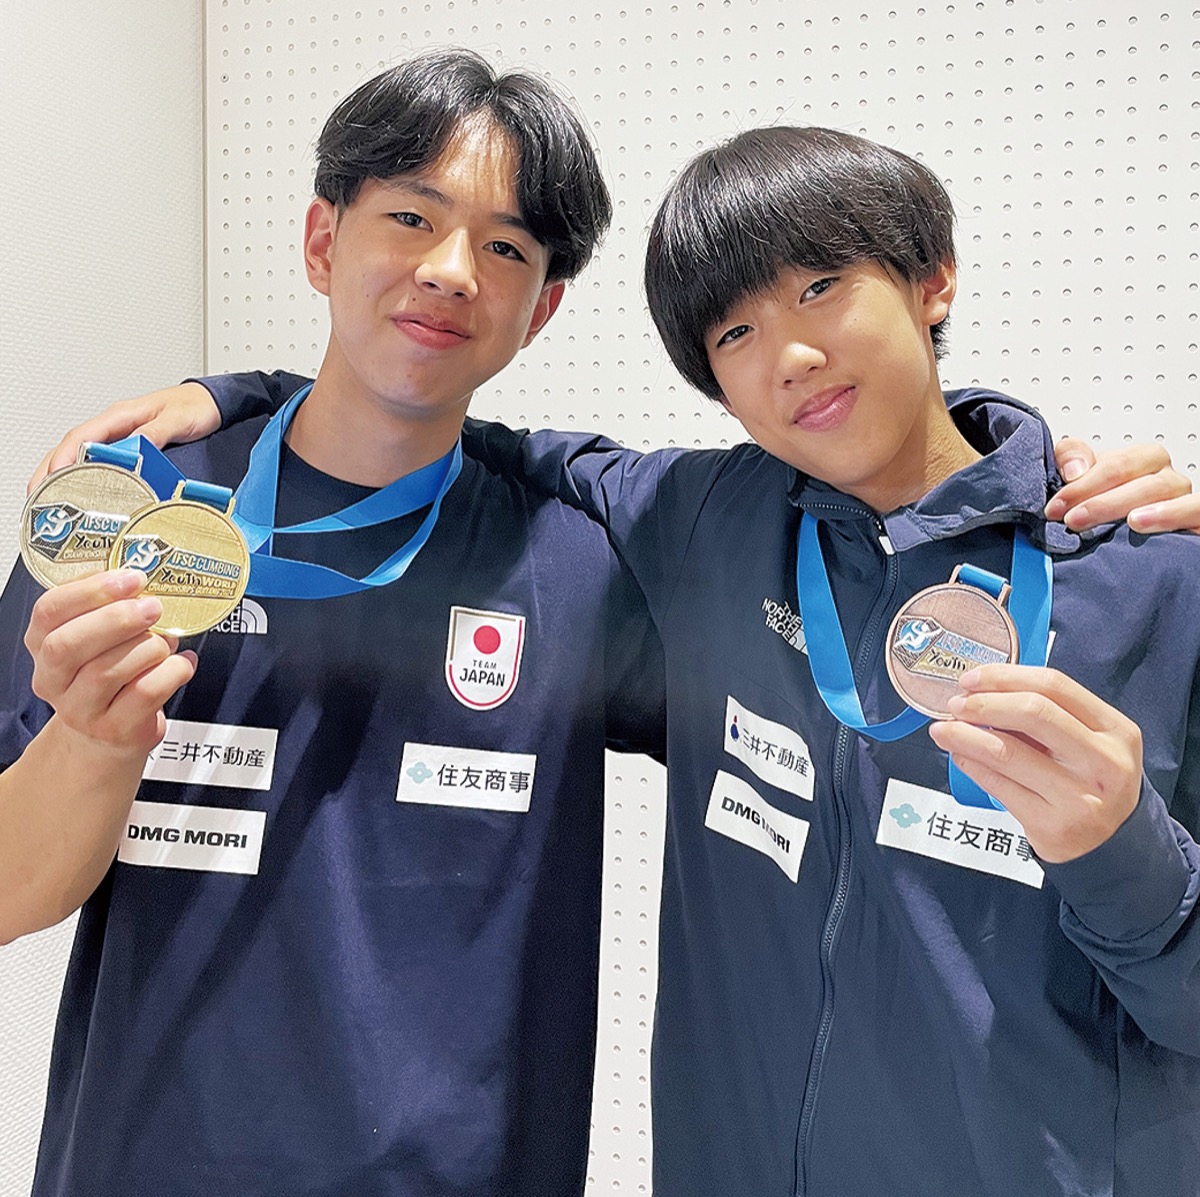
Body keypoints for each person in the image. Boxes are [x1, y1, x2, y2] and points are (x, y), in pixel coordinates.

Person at [107, 128, 1200, 1196]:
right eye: (736, 332)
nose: (791, 356)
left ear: (932, 280)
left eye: (822, 286)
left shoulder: (1152, 580)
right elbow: (449, 424)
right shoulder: (707, 522)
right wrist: (247, 396)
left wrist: (1124, 856)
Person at [0, 50, 665, 1197]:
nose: (451, 270)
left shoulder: (579, 566)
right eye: (411, 218)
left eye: (506, 249)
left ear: (541, 311)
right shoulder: (132, 514)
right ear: (323, 242)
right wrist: (95, 739)